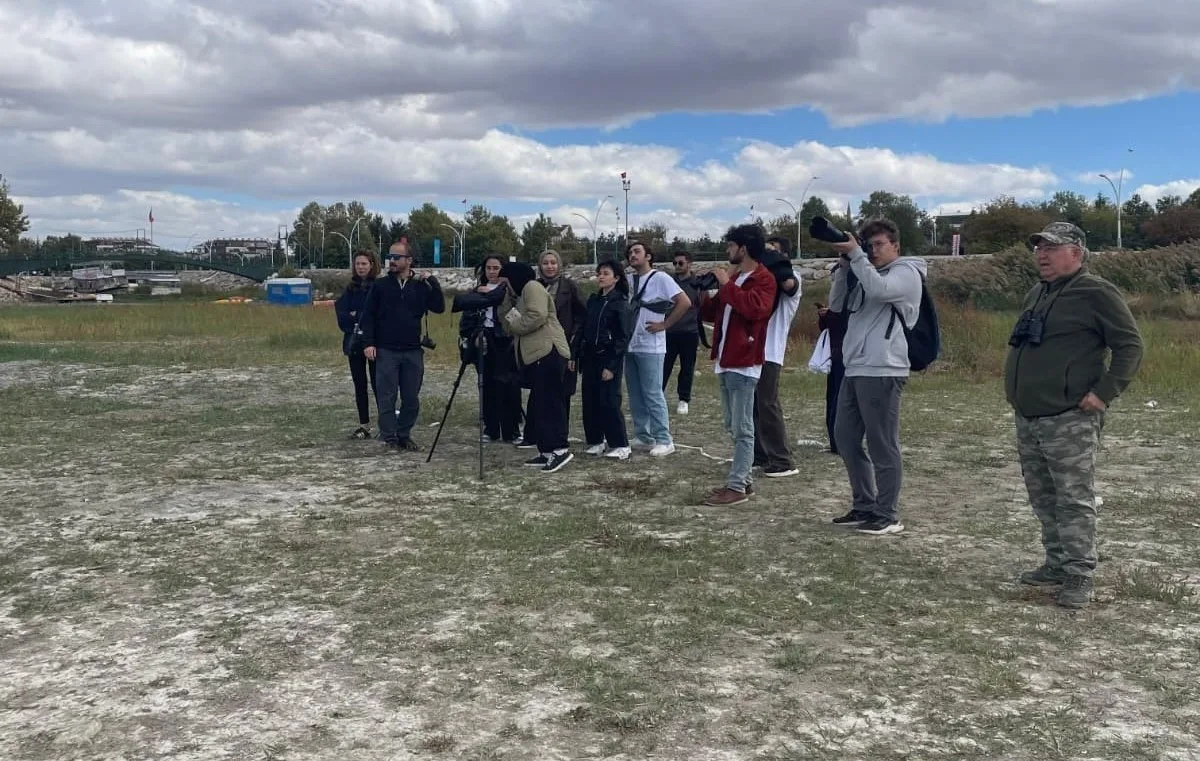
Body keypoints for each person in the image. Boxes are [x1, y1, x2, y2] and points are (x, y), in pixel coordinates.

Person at [1005, 222, 1143, 609]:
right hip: (1030, 415)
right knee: (1042, 495)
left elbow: (1130, 345)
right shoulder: (1038, 292)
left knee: (1073, 496)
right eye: (1039, 248)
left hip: (1069, 417)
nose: (1042, 255)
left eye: (1051, 248)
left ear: (1077, 253)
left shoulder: (1097, 292)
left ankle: (1080, 573)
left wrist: (1104, 393)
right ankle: (1056, 563)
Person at [827, 218, 927, 535]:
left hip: (884, 367)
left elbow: (881, 291)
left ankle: (887, 513)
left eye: (879, 244)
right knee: (845, 438)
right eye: (868, 245)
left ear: (896, 246)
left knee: (882, 443)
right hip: (856, 366)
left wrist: (857, 256)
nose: (872, 251)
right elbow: (836, 306)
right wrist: (845, 268)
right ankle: (864, 504)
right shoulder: (864, 271)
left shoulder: (907, 272)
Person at [697, 224, 777, 506]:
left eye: (731, 245)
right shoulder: (737, 279)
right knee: (732, 424)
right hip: (726, 359)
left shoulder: (763, 279)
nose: (727, 250)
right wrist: (702, 291)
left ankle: (737, 486)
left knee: (742, 428)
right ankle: (744, 480)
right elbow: (712, 312)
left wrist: (726, 284)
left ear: (743, 248)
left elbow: (754, 309)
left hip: (744, 361)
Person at [359, 240, 444, 451]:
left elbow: (439, 307)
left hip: (412, 350)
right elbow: (367, 316)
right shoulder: (380, 286)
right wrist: (368, 343)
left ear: (409, 260)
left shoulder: (420, 286)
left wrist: (432, 281)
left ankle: (404, 434)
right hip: (386, 350)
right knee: (386, 397)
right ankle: (389, 437)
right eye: (390, 257)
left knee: (411, 398)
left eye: (397, 257)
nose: (392, 261)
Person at [499, 261, 573, 474]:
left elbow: (537, 315)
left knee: (550, 402)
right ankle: (546, 450)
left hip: (548, 352)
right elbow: (507, 324)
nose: (505, 286)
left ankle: (560, 449)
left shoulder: (532, 287)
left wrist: (516, 326)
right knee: (540, 404)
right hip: (536, 356)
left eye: (505, 282)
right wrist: (504, 300)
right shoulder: (520, 296)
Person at [624, 241, 692, 456]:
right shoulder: (629, 280)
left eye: (637, 251)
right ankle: (644, 436)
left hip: (651, 345)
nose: (632, 255)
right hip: (630, 343)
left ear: (648, 256)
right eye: (630, 252)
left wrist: (665, 324)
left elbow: (684, 302)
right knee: (635, 394)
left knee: (652, 393)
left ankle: (664, 438)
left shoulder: (660, 278)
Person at [514, 250, 587, 449]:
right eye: (545, 263)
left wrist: (574, 345)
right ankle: (533, 435)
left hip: (563, 346)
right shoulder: (533, 286)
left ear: (559, 265)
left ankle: (559, 438)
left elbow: (582, 316)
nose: (550, 266)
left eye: (553, 262)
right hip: (540, 347)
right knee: (538, 393)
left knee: (561, 394)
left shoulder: (569, 287)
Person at [571, 260, 632, 460]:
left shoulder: (620, 303)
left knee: (609, 401)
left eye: (606, 273)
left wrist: (611, 366)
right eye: (599, 273)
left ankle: (620, 444)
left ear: (616, 278)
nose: (601, 277)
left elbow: (623, 337)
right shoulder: (594, 300)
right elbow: (583, 328)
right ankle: (596, 440)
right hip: (589, 356)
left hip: (608, 356)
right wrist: (574, 353)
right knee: (590, 400)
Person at [753, 236, 801, 477]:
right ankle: (760, 455)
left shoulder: (792, 276)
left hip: (770, 351)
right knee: (753, 406)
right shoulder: (761, 278)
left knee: (767, 404)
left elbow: (788, 286)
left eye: (773, 252)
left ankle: (782, 460)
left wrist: (775, 261)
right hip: (753, 350)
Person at [475, 255, 522, 443]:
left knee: (511, 386)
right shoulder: (478, 290)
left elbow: (519, 313)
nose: (492, 272)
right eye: (489, 268)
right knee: (488, 385)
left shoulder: (511, 291)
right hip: (486, 338)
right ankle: (491, 428)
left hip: (507, 339)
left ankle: (512, 430)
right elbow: (469, 317)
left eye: (496, 268)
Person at [334, 251, 379, 439]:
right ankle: (364, 425)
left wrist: (358, 315)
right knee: (359, 384)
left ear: (371, 265)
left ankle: (385, 422)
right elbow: (341, 313)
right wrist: (355, 317)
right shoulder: (350, 288)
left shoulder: (378, 287)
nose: (360, 267)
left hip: (374, 342)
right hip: (354, 343)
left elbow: (376, 315)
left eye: (364, 264)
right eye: (358, 264)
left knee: (378, 384)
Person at [662, 250, 704, 415]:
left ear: (689, 264)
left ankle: (684, 399)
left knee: (687, 367)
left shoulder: (697, 283)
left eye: (681, 263)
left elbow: (703, 305)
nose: (677, 266)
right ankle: (658, 395)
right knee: (664, 366)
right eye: (675, 263)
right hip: (669, 331)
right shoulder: (669, 282)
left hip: (689, 331)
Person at [817, 269, 850, 455]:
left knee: (840, 399)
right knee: (833, 398)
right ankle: (835, 441)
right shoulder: (837, 301)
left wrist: (829, 315)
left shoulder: (851, 301)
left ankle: (840, 442)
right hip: (836, 356)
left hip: (847, 356)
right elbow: (827, 328)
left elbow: (843, 323)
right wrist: (824, 316)